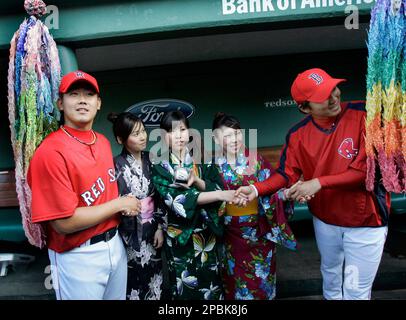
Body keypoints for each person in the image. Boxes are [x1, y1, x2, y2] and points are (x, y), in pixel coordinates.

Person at [236, 68, 390, 300]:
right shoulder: (298, 134)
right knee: (330, 276)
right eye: (323, 96)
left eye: (333, 88)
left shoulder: (364, 113)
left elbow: (364, 172)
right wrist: (257, 188)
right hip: (325, 219)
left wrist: (316, 183)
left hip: (365, 221)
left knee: (355, 289)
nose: (334, 97)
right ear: (305, 107)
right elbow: (286, 175)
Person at [27, 71, 141, 300]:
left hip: (114, 244)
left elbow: (103, 197)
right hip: (77, 255)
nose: (82, 99)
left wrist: (123, 206)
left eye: (89, 94)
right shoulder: (50, 152)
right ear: (60, 103)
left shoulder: (103, 142)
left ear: (98, 103)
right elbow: (64, 223)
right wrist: (119, 204)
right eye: (74, 93)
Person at [151, 110, 245, 300]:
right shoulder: (160, 167)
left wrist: (198, 182)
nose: (179, 136)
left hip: (205, 235)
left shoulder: (203, 161)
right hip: (180, 238)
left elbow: (216, 184)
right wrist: (217, 193)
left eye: (183, 130)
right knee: (185, 288)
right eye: (171, 131)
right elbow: (178, 200)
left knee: (211, 286)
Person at [212, 112, 296, 300]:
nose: (235, 140)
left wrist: (288, 193)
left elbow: (274, 189)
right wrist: (226, 202)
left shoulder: (256, 160)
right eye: (227, 136)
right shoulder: (213, 165)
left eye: (237, 134)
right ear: (217, 139)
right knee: (235, 282)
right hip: (231, 235)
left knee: (262, 282)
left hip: (260, 232)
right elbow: (211, 198)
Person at [108, 112, 166, 300]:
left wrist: (159, 227)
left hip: (152, 230)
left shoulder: (153, 159)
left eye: (143, 131)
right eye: (135, 134)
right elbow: (111, 200)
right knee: (131, 281)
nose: (143, 137)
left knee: (154, 279)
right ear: (120, 139)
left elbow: (160, 196)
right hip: (128, 232)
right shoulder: (115, 165)